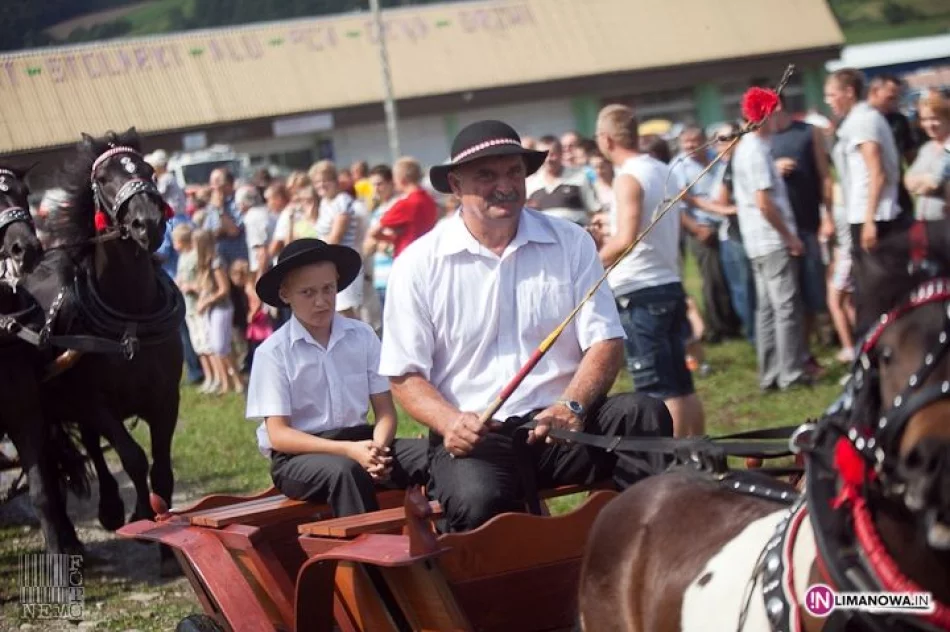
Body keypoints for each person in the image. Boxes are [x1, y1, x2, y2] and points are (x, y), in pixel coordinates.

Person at [378, 120, 674, 533]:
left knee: (642, 413)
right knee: (478, 501)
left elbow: (605, 340)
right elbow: (404, 374)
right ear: (456, 185)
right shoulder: (418, 263)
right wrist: (450, 423)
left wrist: (571, 405)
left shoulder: (571, 242)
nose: (506, 185)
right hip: (475, 437)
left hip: (562, 429)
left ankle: (637, 549)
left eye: (514, 172)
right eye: (487, 175)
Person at [246, 239, 428, 516]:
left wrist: (376, 451)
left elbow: (386, 413)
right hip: (300, 457)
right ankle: (372, 556)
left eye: (328, 289)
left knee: (433, 455)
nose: (321, 301)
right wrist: (349, 451)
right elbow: (279, 435)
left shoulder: (362, 335)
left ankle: (445, 540)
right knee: (346, 471)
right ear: (285, 294)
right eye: (307, 292)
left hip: (364, 442)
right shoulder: (273, 353)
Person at [595, 105, 706, 437]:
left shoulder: (628, 177)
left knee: (658, 390)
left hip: (640, 289)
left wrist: (591, 263)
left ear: (606, 138)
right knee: (682, 385)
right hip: (668, 281)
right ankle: (699, 454)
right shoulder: (661, 168)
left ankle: (671, 469)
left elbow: (626, 239)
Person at [825, 68, 911, 332]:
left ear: (849, 92)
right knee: (869, 291)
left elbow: (876, 173)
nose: (829, 100)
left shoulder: (864, 121)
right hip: (862, 214)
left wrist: (870, 220)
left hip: (875, 216)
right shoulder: (856, 120)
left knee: (879, 292)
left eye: (832, 94)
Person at [731, 107, 808, 392]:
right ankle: (790, 373)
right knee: (785, 308)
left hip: (758, 241)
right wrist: (789, 236)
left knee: (767, 309)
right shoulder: (756, 151)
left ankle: (771, 373)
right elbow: (764, 202)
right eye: (775, 114)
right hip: (771, 240)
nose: (780, 119)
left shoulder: (749, 148)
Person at [904, 91, 950, 220]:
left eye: (935, 119)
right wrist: (925, 179)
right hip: (926, 222)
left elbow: (934, 183)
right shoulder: (926, 149)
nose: (929, 125)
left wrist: (922, 182)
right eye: (925, 119)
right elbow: (908, 182)